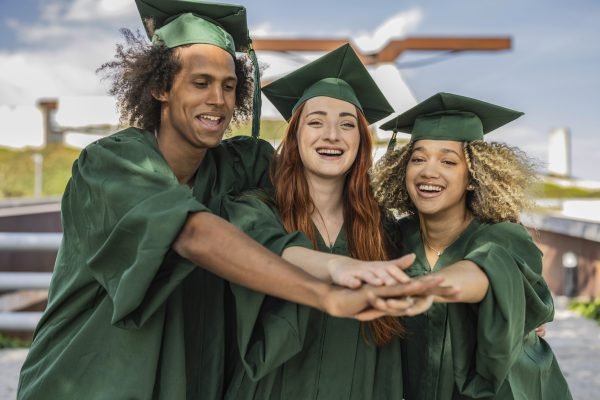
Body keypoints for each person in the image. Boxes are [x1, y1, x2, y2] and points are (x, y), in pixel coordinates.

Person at [16, 2, 443, 399]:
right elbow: (192, 233)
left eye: (228, 86)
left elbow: (312, 178)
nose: (217, 100)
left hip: (186, 382)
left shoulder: (240, 165)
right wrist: (325, 293)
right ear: (160, 87)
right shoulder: (111, 163)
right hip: (94, 378)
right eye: (200, 83)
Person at [222, 44, 453, 400]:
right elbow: (261, 250)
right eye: (316, 122)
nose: (332, 135)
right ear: (296, 137)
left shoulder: (385, 231)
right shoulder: (256, 210)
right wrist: (336, 266)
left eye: (347, 125)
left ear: (361, 142)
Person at [370, 92, 573, 399]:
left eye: (448, 161)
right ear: (402, 171)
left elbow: (487, 269)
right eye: (418, 158)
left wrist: (430, 288)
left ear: (473, 178)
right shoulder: (396, 238)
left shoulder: (503, 236)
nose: (428, 170)